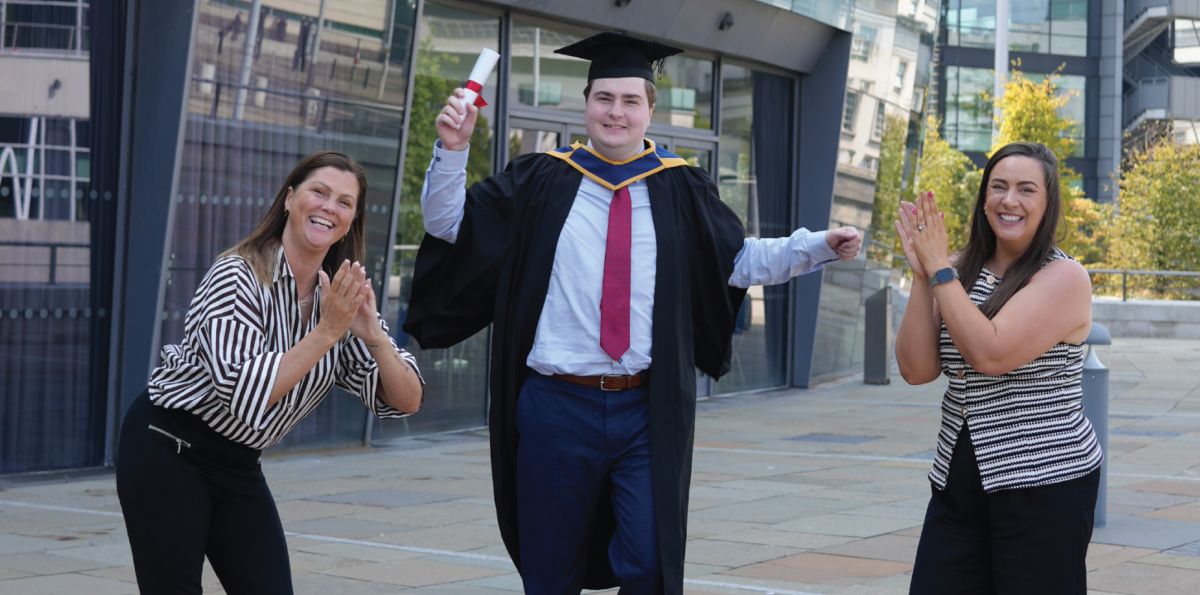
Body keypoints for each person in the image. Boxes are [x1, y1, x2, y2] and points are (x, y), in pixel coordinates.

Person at [403, 32, 861, 595]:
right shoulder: (540, 179)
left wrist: (816, 245)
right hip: (556, 405)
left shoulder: (680, 186)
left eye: (629, 100)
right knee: (550, 570)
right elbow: (449, 225)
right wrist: (452, 149)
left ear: (649, 109)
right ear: (586, 103)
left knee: (649, 559)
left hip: (646, 408)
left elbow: (738, 261)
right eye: (604, 98)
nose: (615, 112)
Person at [116, 151, 424, 594]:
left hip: (239, 462)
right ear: (290, 198)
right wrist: (327, 331)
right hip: (168, 445)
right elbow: (244, 393)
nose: (329, 207)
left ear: (351, 221)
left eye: (344, 202)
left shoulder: (338, 297)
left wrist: (373, 333)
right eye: (319, 192)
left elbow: (406, 399)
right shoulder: (237, 275)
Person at [894, 142, 1102, 594]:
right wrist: (922, 276)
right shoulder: (955, 270)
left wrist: (938, 271)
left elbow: (990, 354)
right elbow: (916, 369)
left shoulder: (1064, 277)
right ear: (984, 197)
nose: (1010, 200)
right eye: (999, 187)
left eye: (1027, 189)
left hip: (1042, 479)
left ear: (1047, 204)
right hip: (958, 476)